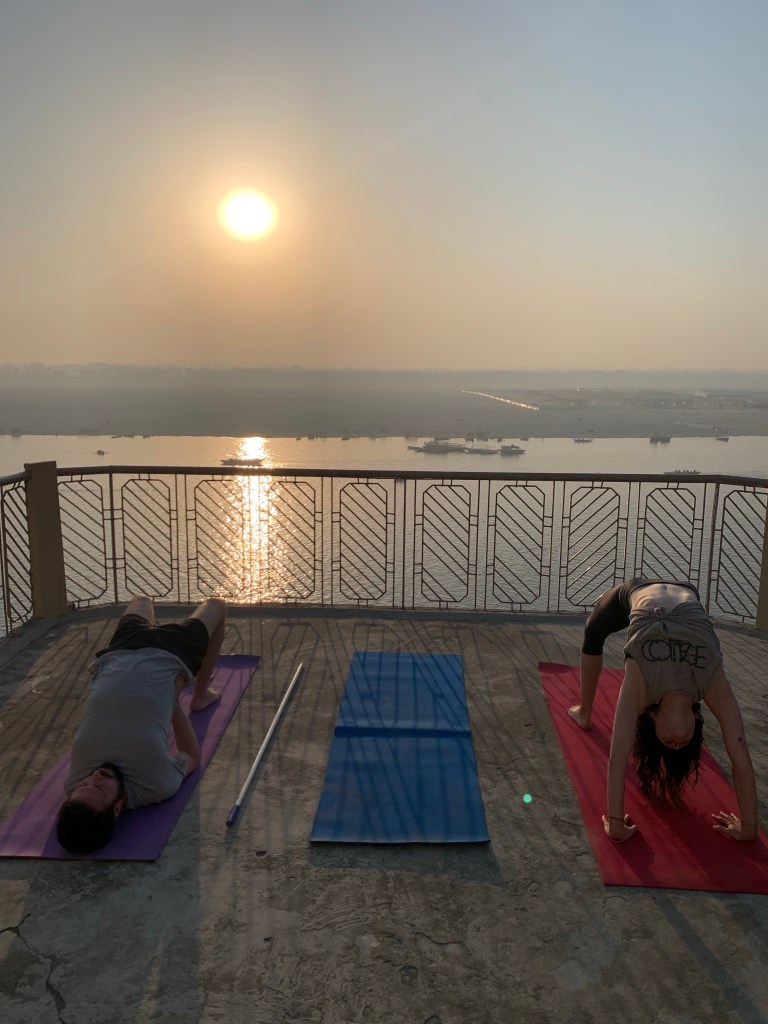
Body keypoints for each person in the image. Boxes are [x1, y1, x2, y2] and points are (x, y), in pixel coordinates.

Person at [567, 578, 758, 844]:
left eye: (669, 742)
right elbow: (740, 760)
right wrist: (748, 828)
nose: (678, 743)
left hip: (637, 592)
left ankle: (585, 713)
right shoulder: (712, 683)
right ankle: (584, 711)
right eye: (683, 744)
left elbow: (617, 759)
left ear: (652, 716)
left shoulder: (641, 687)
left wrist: (616, 825)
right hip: (686, 595)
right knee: (594, 629)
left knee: (594, 629)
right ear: (696, 716)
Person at [56, 594, 226, 853]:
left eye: (83, 785)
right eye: (100, 787)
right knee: (216, 605)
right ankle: (200, 696)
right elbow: (191, 754)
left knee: (142, 600)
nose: (93, 777)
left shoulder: (73, 784)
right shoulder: (156, 785)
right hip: (172, 654)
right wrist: (173, 698)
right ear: (116, 809)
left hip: (119, 653)